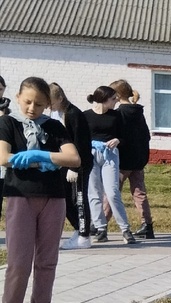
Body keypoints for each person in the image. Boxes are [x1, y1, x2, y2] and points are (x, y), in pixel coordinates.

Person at [0, 77, 82, 303]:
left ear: (47, 104)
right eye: (27, 102)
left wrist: (42, 156)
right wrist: (46, 162)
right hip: (20, 196)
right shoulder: (7, 123)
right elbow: (4, 157)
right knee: (19, 261)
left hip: (53, 198)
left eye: (38, 103)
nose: (32, 108)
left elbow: (74, 158)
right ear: (17, 98)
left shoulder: (55, 127)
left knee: (46, 260)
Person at [82, 85, 136, 244]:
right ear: (103, 100)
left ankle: (125, 229)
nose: (116, 101)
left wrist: (118, 140)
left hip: (110, 155)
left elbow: (126, 136)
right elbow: (79, 137)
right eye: (113, 99)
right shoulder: (86, 116)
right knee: (94, 193)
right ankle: (100, 228)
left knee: (112, 192)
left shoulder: (116, 116)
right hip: (91, 154)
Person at [47, 83, 93, 250]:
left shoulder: (73, 114)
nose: (49, 106)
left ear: (60, 98)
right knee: (65, 199)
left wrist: (75, 167)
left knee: (78, 199)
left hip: (79, 163)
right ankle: (78, 229)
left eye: (51, 102)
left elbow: (81, 143)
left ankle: (84, 235)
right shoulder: (54, 113)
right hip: (63, 163)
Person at [110, 80, 154, 239]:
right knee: (139, 193)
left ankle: (100, 224)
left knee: (112, 192)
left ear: (116, 95)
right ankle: (147, 225)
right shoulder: (138, 112)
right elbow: (146, 135)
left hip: (123, 161)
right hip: (139, 159)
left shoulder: (120, 113)